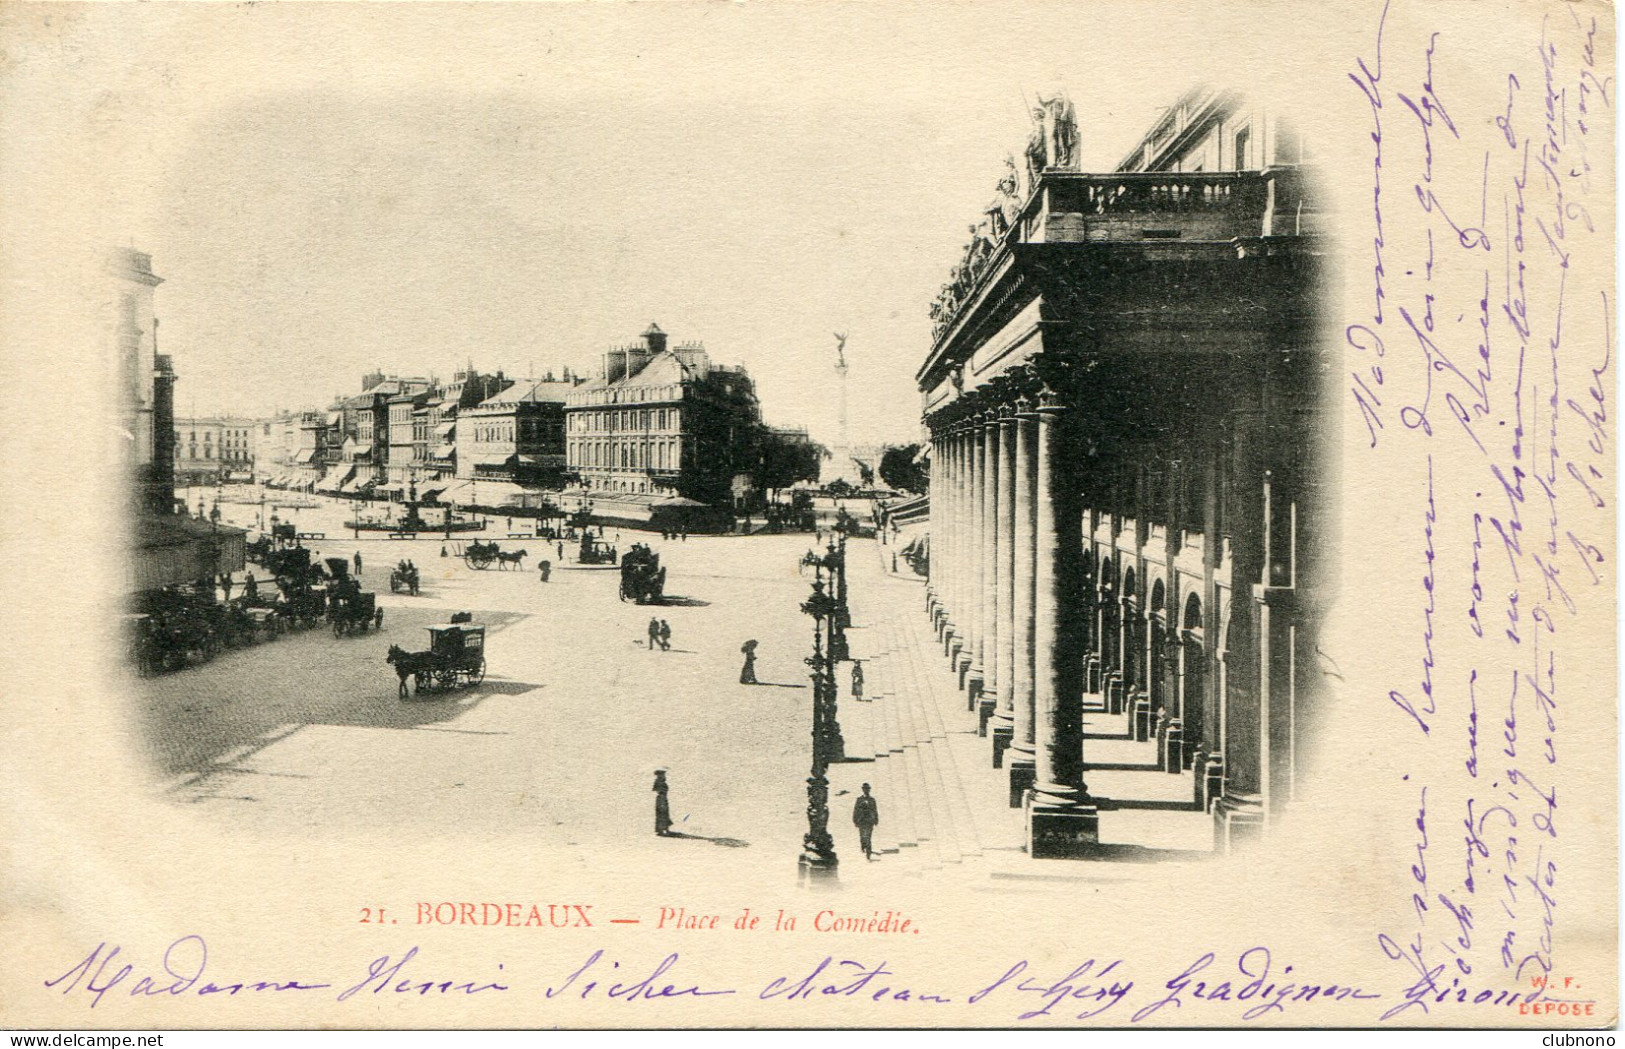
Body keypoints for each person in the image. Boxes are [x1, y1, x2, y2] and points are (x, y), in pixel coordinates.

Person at [852, 783, 879, 860]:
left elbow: (875, 810)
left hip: (869, 821)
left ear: (869, 790)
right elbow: (855, 810)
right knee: (862, 836)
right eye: (865, 789)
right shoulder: (859, 799)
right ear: (863, 790)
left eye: (868, 789)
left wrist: (876, 820)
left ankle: (868, 852)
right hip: (861, 821)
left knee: (868, 837)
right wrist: (855, 820)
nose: (866, 790)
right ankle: (863, 845)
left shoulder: (872, 800)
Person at [653, 770, 673, 836]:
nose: (663, 776)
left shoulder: (662, 782)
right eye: (662, 775)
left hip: (664, 798)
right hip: (661, 799)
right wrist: (661, 794)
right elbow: (655, 789)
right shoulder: (658, 782)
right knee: (661, 814)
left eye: (663, 775)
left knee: (665, 814)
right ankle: (660, 830)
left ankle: (666, 829)